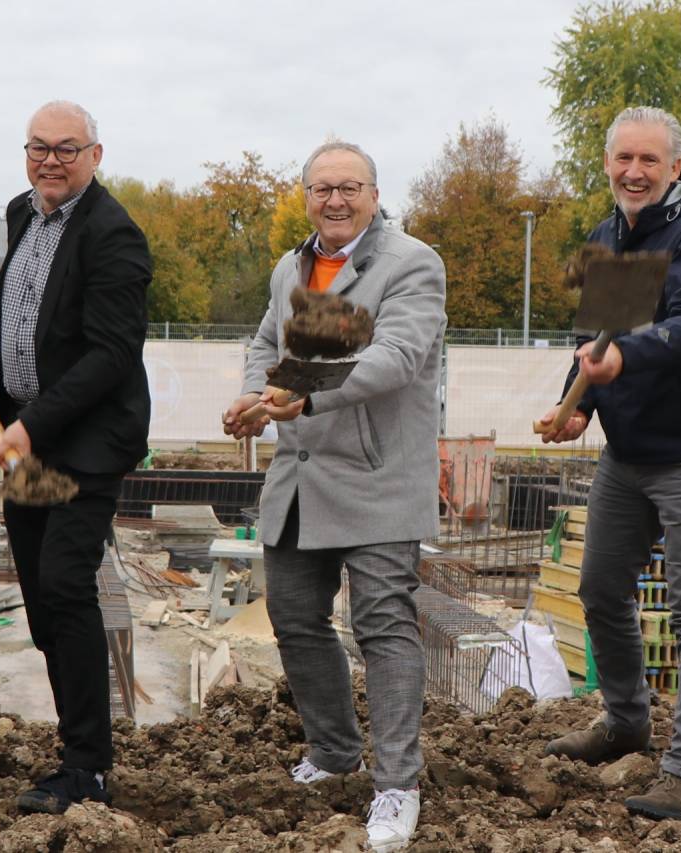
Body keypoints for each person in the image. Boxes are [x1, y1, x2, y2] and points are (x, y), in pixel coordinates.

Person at [221, 139, 446, 852]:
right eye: (323, 189)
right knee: (293, 615)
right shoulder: (291, 268)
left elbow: (394, 358)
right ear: (307, 198)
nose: (336, 200)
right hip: (301, 475)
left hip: (378, 477)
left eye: (350, 187)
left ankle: (397, 783)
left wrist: (302, 394)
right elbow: (267, 344)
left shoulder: (411, 264)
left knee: (383, 624)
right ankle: (334, 751)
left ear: (374, 196)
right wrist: (255, 395)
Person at [532, 106, 681, 824]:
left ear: (674, 168)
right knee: (599, 588)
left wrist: (627, 355)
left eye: (649, 160)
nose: (634, 171)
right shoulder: (607, 236)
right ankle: (626, 722)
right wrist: (578, 407)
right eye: (624, 158)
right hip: (628, 453)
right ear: (607, 163)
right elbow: (598, 339)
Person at [0, 100, 153, 815]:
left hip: (83, 445)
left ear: (96, 155)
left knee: (66, 585)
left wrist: (31, 425)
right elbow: (19, 312)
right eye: (40, 147)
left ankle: (88, 767)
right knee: (40, 597)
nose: (52, 160)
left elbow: (111, 355)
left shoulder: (114, 236)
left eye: (67, 148)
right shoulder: (22, 213)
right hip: (28, 440)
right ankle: (75, 748)